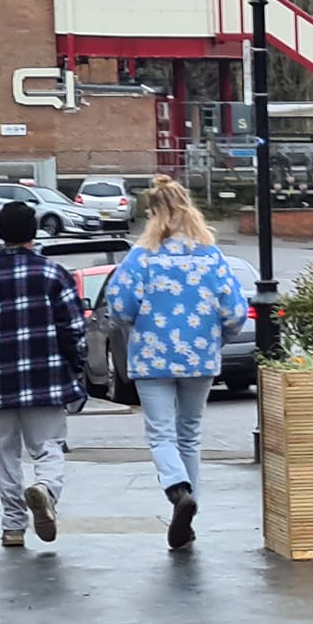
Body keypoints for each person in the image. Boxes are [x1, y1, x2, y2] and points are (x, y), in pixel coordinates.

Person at [104, 176, 248, 551]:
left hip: (152, 357)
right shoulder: (210, 256)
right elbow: (234, 311)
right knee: (190, 434)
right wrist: (216, 338)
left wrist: (139, 321)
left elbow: (118, 304)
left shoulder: (142, 257)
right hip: (199, 357)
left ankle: (177, 489)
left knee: (161, 433)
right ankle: (188, 517)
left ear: (153, 213)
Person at [0, 199, 85, 550]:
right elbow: (73, 329)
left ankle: (13, 526)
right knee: (49, 447)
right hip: (45, 380)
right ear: (34, 233)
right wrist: (75, 368)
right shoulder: (53, 273)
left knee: (4, 454)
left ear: (1, 233)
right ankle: (45, 489)